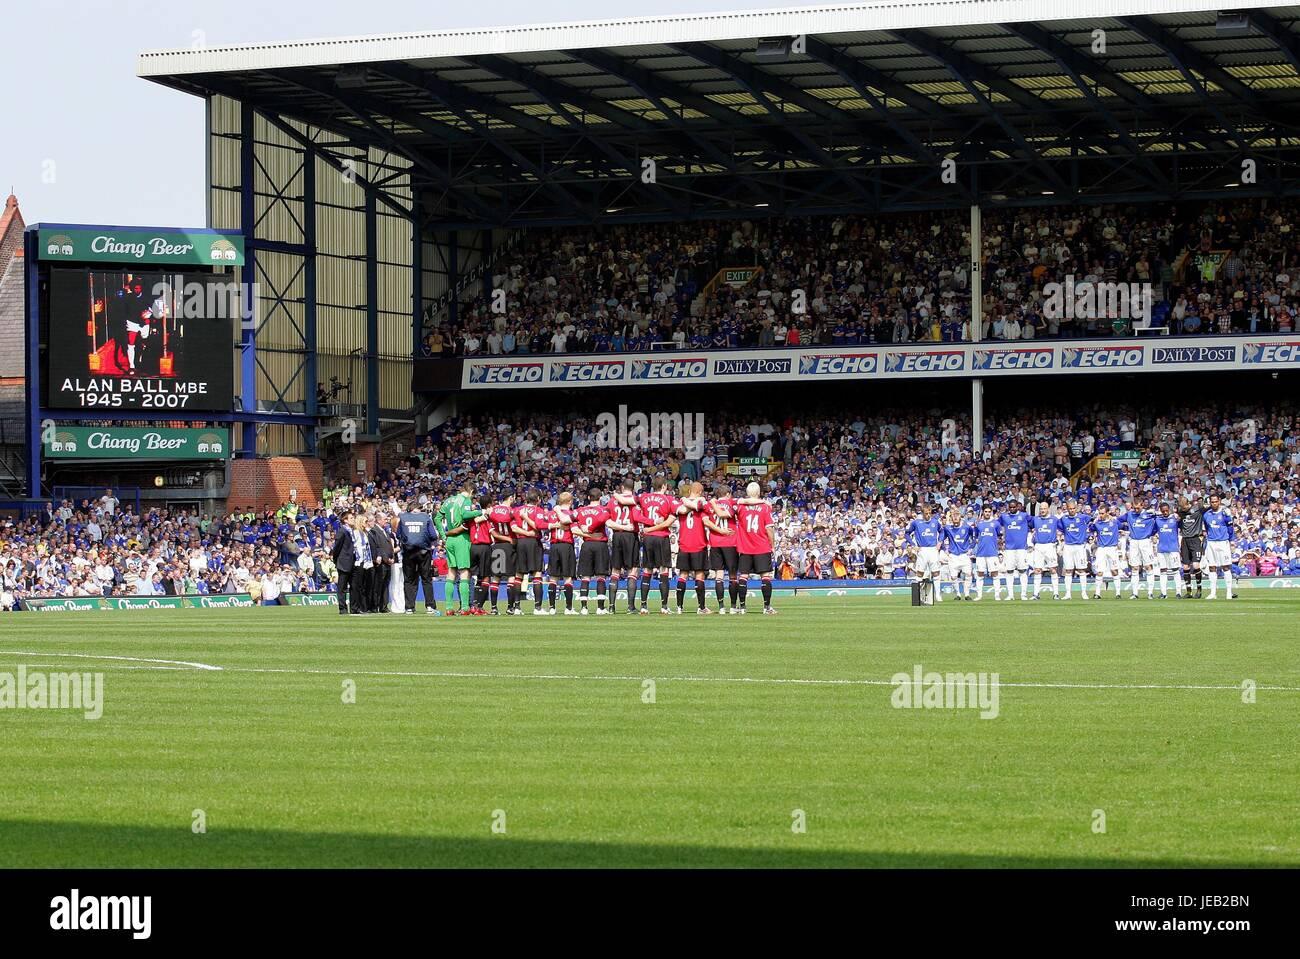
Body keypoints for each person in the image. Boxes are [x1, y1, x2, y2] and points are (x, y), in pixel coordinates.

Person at [435, 482, 480, 614]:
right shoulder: (465, 500)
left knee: (451, 572)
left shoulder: (448, 500)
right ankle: (465, 607)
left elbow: (437, 518)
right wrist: (479, 511)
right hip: (462, 538)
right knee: (464, 572)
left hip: (449, 540)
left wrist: (443, 535)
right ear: (471, 491)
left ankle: (449, 607)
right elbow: (466, 515)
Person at [735, 481, 777, 614]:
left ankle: (742, 607)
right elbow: (769, 529)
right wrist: (773, 545)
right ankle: (766, 607)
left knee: (743, 576)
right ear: (759, 493)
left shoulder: (740, 507)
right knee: (765, 576)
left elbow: (735, 502)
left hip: (745, 547)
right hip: (762, 546)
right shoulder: (765, 507)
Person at [572, 488, 612, 615]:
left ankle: (584, 608)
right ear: (600, 498)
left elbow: (568, 520)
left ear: (588, 497)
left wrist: (585, 532)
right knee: (601, 576)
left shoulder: (580, 510)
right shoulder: (604, 510)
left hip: (587, 544)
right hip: (600, 544)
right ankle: (600, 608)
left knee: (585, 577)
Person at [1203, 494, 1236, 600]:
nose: (1214, 503)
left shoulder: (1225, 512)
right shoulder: (1207, 514)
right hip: (1211, 542)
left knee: (1225, 567)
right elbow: (1207, 528)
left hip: (1223, 542)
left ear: (1219, 501)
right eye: (1212, 502)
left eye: (1215, 501)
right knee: (1212, 567)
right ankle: (1213, 593)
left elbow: (1230, 528)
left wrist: (1230, 540)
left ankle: (1229, 592)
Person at [1178, 494, 1206, 599]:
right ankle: (1188, 591)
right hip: (1185, 540)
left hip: (1195, 539)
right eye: (1181, 507)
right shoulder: (1181, 512)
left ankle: (1199, 590)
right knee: (1185, 566)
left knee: (1195, 565)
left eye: (1184, 507)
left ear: (1188, 504)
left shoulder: (1197, 510)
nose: (1183, 509)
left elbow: (1206, 509)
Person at [330, 514, 359, 615]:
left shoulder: (352, 531)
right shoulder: (342, 531)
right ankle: (343, 609)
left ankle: (354, 608)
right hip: (344, 563)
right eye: (351, 518)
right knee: (342, 587)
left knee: (354, 586)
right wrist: (336, 560)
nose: (353, 519)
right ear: (345, 520)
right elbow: (337, 548)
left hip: (353, 562)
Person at [1154, 502, 1183, 600]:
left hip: (1173, 549)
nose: (1165, 512)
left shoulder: (1174, 519)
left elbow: (1182, 521)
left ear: (1169, 509)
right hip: (1161, 549)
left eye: (1167, 510)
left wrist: (1179, 517)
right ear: (1160, 511)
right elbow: (1153, 531)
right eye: (1163, 511)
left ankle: (1178, 592)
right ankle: (1163, 593)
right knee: (1163, 571)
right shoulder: (1158, 520)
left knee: (1175, 570)